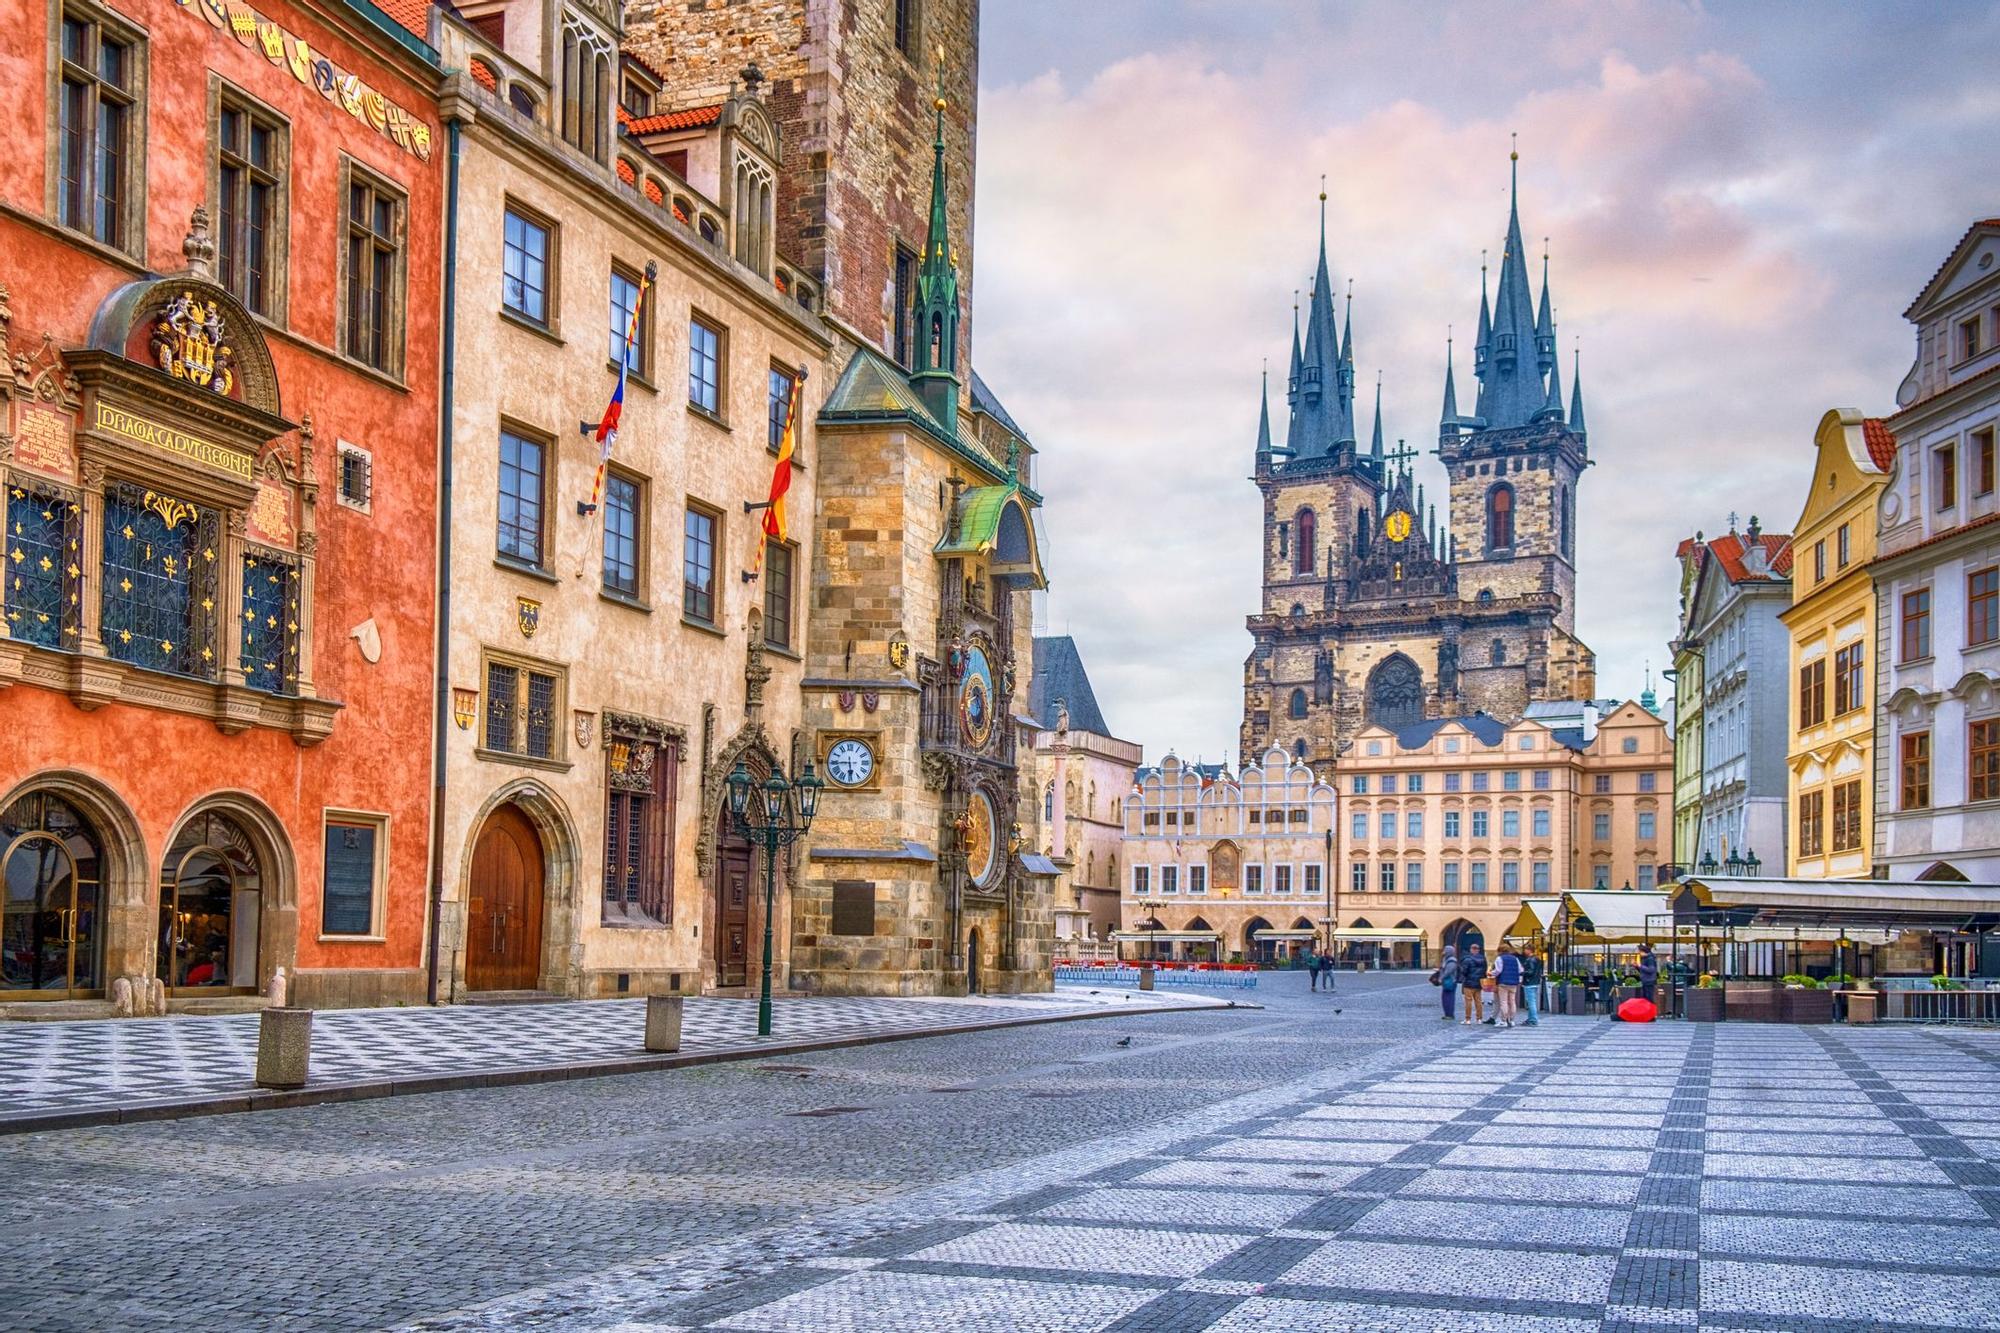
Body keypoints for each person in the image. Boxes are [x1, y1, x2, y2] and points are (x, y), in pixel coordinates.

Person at [1491, 943, 1522, 1028]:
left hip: (1503, 982)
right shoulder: (1515, 958)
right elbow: (1520, 970)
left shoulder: (1500, 958)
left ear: (1500, 951)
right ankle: (1512, 1020)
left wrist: (1491, 973)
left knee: (1503, 1002)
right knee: (1512, 1001)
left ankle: (1503, 1021)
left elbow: (1498, 970)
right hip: (1514, 983)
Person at [1457, 942, 1487, 1025]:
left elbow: (1464, 971)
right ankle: (1479, 1019)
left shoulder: (1467, 959)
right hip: (1478, 982)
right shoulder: (1483, 959)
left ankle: (1468, 1019)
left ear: (1471, 949)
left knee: (1468, 1001)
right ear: (1478, 950)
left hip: (1468, 983)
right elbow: (1485, 970)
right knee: (1478, 1001)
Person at [1520, 950, 1544, 1026]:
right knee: (1531, 1001)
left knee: (1531, 1002)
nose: (1524, 951)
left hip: (1529, 982)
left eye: (1525, 949)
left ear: (1529, 950)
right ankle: (1531, 1018)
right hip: (1535, 982)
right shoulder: (1537, 959)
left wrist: (1521, 973)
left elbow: (1530, 971)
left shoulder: (1530, 959)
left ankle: (1533, 1019)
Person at [1437, 944, 1458, 1021]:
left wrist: (1441, 978)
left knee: (1449, 998)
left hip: (1450, 981)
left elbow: (1448, 971)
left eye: (1445, 950)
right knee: (1445, 998)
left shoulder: (1452, 960)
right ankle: (1447, 1013)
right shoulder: (1446, 959)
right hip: (1446, 981)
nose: (1443, 952)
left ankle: (1450, 1014)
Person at [1637, 943, 1659, 1007]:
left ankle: (1650, 1011)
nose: (1639, 953)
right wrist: (1637, 967)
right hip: (1645, 980)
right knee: (1645, 997)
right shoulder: (1644, 958)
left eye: (1640, 952)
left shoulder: (1650, 959)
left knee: (1649, 997)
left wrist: (1640, 966)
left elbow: (1651, 970)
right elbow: (1643, 970)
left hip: (1649, 981)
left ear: (1643, 952)